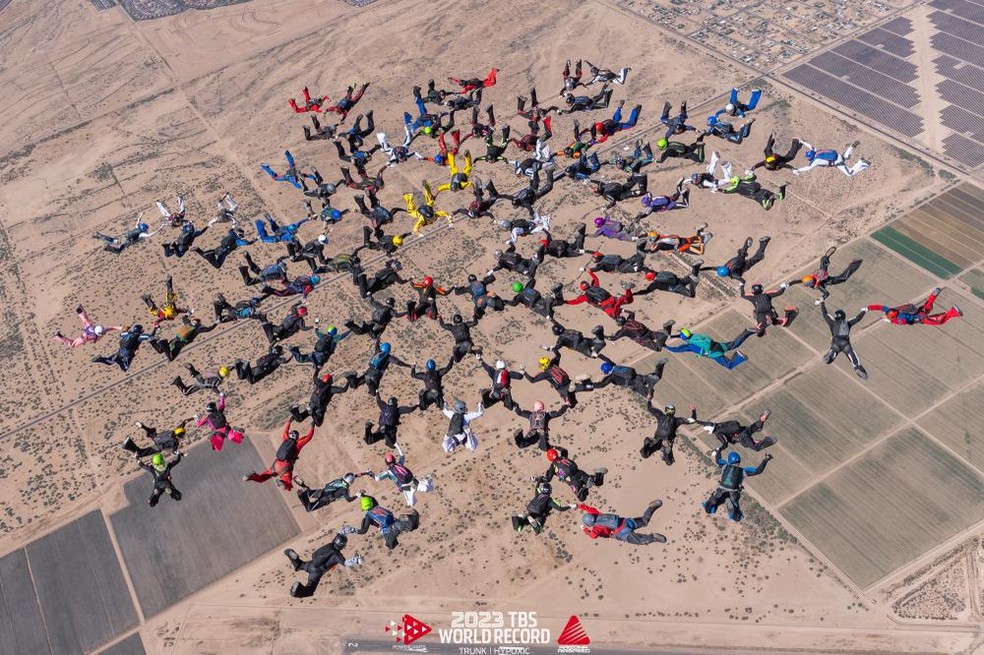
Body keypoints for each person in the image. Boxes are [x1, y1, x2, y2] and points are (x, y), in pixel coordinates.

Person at [243, 419, 315, 491]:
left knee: (262, 478)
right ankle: (283, 483)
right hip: (285, 466)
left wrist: (290, 421)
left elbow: (286, 430)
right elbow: (308, 437)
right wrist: (312, 426)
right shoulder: (298, 444)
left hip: (276, 464)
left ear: (290, 435)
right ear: (297, 438)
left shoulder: (285, 439)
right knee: (288, 484)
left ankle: (252, 477)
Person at [284, 533, 362, 598]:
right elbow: (346, 563)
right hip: (316, 572)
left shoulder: (329, 546)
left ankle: (290, 554)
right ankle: (295, 592)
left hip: (311, 564)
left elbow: (315, 554)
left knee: (300, 565)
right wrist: (356, 560)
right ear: (342, 545)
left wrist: (344, 531)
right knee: (310, 590)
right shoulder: (337, 556)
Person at [703, 450, 772, 521]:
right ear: (739, 461)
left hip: (721, 490)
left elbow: (718, 460)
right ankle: (733, 513)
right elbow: (758, 470)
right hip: (733, 492)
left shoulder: (724, 465)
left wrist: (718, 451)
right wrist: (766, 460)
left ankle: (711, 505)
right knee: (736, 512)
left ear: (729, 460)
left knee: (715, 502)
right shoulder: (743, 471)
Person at [341, 494, 420, 550]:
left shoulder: (368, 516)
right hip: (395, 522)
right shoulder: (376, 506)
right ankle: (412, 516)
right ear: (371, 503)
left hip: (390, 529)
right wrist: (363, 495)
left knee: (390, 545)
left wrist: (350, 530)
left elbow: (363, 531)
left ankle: (412, 516)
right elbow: (372, 498)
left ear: (363, 507)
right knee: (412, 526)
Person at [789, 246, 863, 302]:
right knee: (823, 263)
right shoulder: (810, 279)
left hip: (827, 280)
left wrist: (821, 299)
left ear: (811, 283)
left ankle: (854, 264)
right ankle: (825, 257)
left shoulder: (818, 286)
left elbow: (826, 294)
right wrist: (789, 284)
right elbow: (797, 281)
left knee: (843, 278)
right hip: (821, 273)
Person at [578, 499, 665, 544]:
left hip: (622, 533)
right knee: (643, 521)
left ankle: (654, 537)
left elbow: (593, 536)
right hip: (625, 521)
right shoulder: (597, 514)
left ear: (589, 524)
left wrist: (585, 530)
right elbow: (590, 509)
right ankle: (651, 507)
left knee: (641, 540)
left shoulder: (597, 527)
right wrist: (579, 506)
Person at [642, 395, 697, 464]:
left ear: (665, 411)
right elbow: (692, 420)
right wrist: (693, 411)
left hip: (657, 439)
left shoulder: (660, 416)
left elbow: (650, 408)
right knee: (669, 462)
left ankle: (647, 445)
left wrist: (649, 399)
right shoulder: (676, 421)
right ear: (673, 412)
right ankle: (665, 449)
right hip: (666, 439)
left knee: (645, 454)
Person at [665, 327, 755, 369]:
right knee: (735, 344)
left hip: (715, 354)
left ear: (683, 338)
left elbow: (675, 350)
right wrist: (671, 336)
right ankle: (747, 332)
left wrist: (664, 346)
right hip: (718, 345)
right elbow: (682, 335)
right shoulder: (694, 336)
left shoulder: (690, 346)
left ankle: (741, 357)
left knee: (729, 365)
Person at [820, 301, 869, 378]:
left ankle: (831, 355)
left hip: (836, 341)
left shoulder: (832, 322)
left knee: (833, 352)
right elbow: (858, 318)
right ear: (843, 316)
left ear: (836, 316)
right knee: (853, 356)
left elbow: (825, 314)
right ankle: (857, 367)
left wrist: (822, 304)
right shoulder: (847, 323)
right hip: (845, 343)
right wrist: (864, 310)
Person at [868, 287, 962, 326]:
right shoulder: (894, 309)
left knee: (938, 321)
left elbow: (904, 322)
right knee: (928, 307)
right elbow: (880, 307)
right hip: (918, 311)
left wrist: (891, 321)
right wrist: (869, 308)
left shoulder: (900, 318)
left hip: (919, 317)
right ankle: (933, 295)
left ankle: (954, 312)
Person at [696, 409, 777, 451]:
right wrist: (695, 421)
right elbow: (705, 423)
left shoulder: (718, 433)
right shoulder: (718, 424)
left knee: (755, 448)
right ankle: (762, 418)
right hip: (743, 430)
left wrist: (719, 449)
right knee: (755, 428)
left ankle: (770, 440)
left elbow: (725, 444)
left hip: (742, 437)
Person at [566, 269, 634, 319]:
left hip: (606, 305)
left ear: (582, 289)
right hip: (612, 299)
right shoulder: (595, 286)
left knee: (615, 316)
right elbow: (595, 278)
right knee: (629, 300)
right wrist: (589, 271)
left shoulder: (585, 296)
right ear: (588, 284)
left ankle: (622, 311)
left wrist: (565, 302)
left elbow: (576, 301)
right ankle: (627, 289)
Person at [293, 472, 372, 512]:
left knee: (309, 493)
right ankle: (302, 494)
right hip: (324, 499)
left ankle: (304, 488)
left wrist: (366, 473)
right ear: (351, 482)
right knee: (309, 508)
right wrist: (358, 494)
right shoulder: (344, 489)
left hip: (323, 491)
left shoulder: (341, 480)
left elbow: (356, 475)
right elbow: (349, 500)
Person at [92, 324, 157, 371]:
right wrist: (155, 328)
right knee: (125, 368)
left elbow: (121, 335)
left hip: (120, 351)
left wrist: (127, 330)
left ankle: (100, 359)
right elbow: (150, 336)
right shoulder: (139, 337)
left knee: (110, 362)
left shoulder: (128, 334)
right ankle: (118, 360)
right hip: (127, 354)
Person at [588, 359, 668, 397]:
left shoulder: (611, 377)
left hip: (636, 384)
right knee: (657, 377)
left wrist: (589, 385)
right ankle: (659, 366)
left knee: (649, 395)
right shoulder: (616, 367)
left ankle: (657, 369)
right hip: (639, 377)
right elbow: (608, 360)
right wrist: (599, 355)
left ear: (605, 371)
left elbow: (602, 385)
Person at [149, 316, 217, 361]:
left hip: (175, 340)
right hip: (179, 343)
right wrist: (215, 323)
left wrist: (188, 313)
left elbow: (184, 318)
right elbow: (208, 329)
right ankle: (160, 344)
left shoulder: (188, 324)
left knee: (163, 349)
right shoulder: (196, 329)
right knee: (171, 356)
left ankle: (153, 342)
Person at [53, 305, 122, 348]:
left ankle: (80, 311)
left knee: (85, 320)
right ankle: (58, 337)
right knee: (72, 344)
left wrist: (120, 328)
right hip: (83, 337)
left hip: (88, 330)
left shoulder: (99, 329)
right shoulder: (95, 334)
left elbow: (111, 328)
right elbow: (111, 328)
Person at [94, 213, 162, 254]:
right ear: (144, 229)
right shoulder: (141, 234)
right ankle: (108, 247)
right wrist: (160, 228)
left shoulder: (137, 227)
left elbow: (138, 220)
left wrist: (141, 215)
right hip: (126, 241)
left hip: (124, 237)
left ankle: (100, 236)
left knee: (112, 240)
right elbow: (150, 235)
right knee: (118, 251)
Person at [544, 319, 609, 361]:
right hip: (584, 339)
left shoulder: (561, 339)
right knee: (596, 342)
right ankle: (598, 334)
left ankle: (597, 343)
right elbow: (557, 324)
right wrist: (551, 319)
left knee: (592, 355)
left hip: (580, 347)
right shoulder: (565, 329)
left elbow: (557, 347)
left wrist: (549, 349)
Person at [121, 419, 190, 459]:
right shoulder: (175, 442)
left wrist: (193, 418)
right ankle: (127, 445)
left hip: (157, 437)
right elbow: (174, 451)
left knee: (151, 432)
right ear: (180, 436)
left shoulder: (175, 430)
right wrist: (182, 454)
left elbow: (184, 421)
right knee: (141, 453)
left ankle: (143, 427)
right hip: (159, 446)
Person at [794, 141, 869, 176]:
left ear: (810, 158)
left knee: (849, 173)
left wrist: (797, 169)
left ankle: (861, 163)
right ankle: (851, 147)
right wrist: (802, 142)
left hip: (836, 162)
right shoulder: (816, 151)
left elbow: (808, 168)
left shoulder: (816, 161)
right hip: (838, 156)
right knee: (845, 157)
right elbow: (811, 146)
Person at [609, 312, 675, 352]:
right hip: (649, 332)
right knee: (665, 336)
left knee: (658, 348)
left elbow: (613, 338)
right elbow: (632, 313)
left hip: (644, 339)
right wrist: (623, 310)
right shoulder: (630, 319)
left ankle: (664, 332)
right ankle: (665, 328)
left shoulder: (624, 330)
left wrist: (600, 335)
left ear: (619, 324)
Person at [633, 262, 704, 299]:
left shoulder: (655, 284)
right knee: (692, 276)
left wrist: (635, 294)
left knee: (691, 294)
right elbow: (647, 269)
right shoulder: (658, 273)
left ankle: (693, 283)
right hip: (679, 280)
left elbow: (646, 291)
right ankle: (696, 267)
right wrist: (641, 268)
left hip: (677, 288)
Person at [638, 224, 709, 256]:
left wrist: (643, 251)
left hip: (683, 247)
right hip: (683, 240)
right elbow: (676, 236)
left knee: (700, 251)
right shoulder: (663, 236)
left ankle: (703, 241)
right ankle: (700, 230)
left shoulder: (660, 244)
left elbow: (652, 251)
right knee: (700, 238)